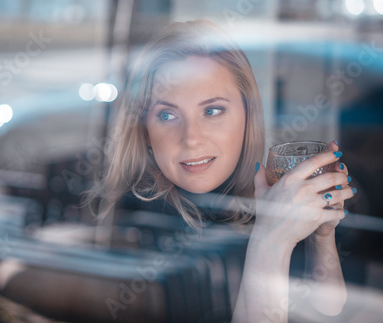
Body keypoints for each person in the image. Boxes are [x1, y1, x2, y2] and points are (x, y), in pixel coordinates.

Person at [84, 19, 354, 322]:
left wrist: (321, 236)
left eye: (212, 110)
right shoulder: (134, 227)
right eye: (168, 114)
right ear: (145, 129)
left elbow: (327, 306)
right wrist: (271, 242)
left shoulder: (261, 199)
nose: (191, 138)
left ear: (247, 115)